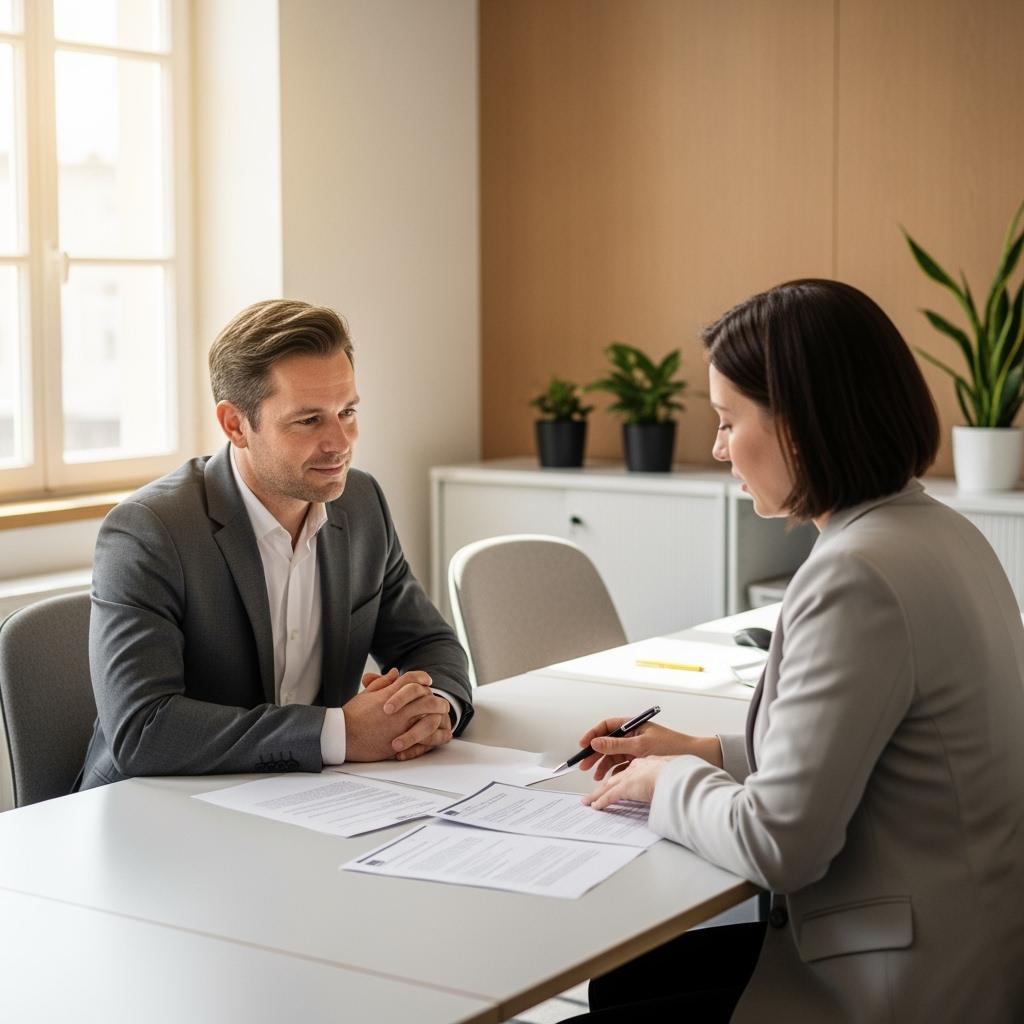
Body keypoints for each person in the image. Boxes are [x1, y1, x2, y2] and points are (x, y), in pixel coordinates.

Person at [565, 279, 1024, 1022]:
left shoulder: (855, 574)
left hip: (895, 982)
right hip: (969, 944)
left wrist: (667, 778)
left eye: (726, 420)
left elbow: (780, 846)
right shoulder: (941, 533)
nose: (717, 448)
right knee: (624, 981)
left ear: (803, 426)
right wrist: (709, 748)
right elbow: (882, 746)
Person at [78, 299, 472, 789]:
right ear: (235, 425)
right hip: (157, 810)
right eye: (308, 421)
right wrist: (340, 733)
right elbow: (143, 730)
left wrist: (436, 709)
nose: (340, 442)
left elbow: (428, 643)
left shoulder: (362, 502)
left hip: (311, 798)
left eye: (347, 411)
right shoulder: (149, 531)